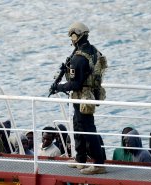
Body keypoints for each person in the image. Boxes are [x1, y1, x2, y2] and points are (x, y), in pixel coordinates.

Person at [49, 22, 106, 175]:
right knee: (78, 127)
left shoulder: (78, 58)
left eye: (72, 37)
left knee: (88, 130)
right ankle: (80, 159)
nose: (71, 40)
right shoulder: (93, 50)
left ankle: (99, 163)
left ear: (76, 36)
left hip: (82, 96)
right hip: (88, 95)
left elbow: (75, 84)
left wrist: (58, 88)